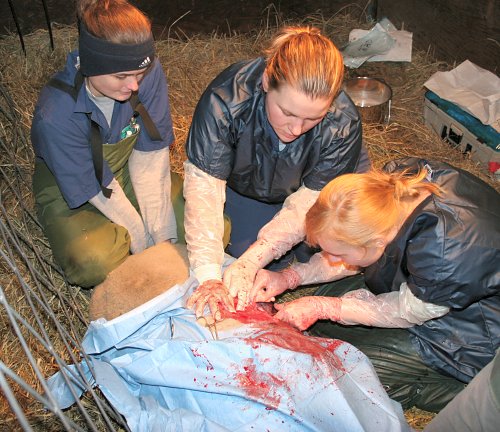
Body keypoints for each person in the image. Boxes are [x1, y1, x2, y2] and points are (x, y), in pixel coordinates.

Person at [250, 157, 500, 412]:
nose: (332, 260)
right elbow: (350, 252)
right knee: (330, 311)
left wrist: (323, 307)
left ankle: (460, 388)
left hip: (478, 328)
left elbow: (408, 311)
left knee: (352, 370)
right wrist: (291, 278)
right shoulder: (387, 190)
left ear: (377, 243)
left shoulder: (445, 253)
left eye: (339, 254)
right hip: (432, 287)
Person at [185, 26, 370, 319]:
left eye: (313, 118)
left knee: (336, 250)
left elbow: (309, 202)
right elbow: (204, 189)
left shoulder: (342, 123)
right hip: (246, 184)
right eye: (287, 112)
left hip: (310, 188)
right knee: (232, 254)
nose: (296, 129)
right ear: (268, 80)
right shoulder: (226, 101)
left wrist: (253, 259)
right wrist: (207, 275)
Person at [31, 0, 179, 287]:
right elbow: (98, 188)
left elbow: (150, 157)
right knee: (94, 260)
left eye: (139, 75)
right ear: (90, 65)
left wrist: (161, 240)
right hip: (74, 181)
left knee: (193, 228)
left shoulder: (145, 74)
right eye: (121, 76)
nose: (134, 85)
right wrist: (144, 246)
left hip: (124, 164)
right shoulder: (57, 114)